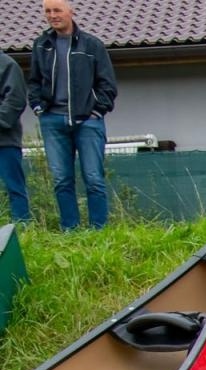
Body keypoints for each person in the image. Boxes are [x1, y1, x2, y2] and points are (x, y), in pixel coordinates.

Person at [26, 0, 116, 230]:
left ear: (70, 12)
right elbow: (34, 81)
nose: (52, 15)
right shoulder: (41, 45)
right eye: (48, 11)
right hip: (52, 121)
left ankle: (99, 231)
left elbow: (107, 84)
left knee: (94, 179)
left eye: (57, 10)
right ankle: (71, 230)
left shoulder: (92, 45)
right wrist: (37, 107)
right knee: (61, 180)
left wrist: (97, 111)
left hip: (87, 122)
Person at [0, 53, 30, 222]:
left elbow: (16, 100)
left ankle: (22, 231)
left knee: (14, 188)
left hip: (4, 141)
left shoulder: (7, 64)